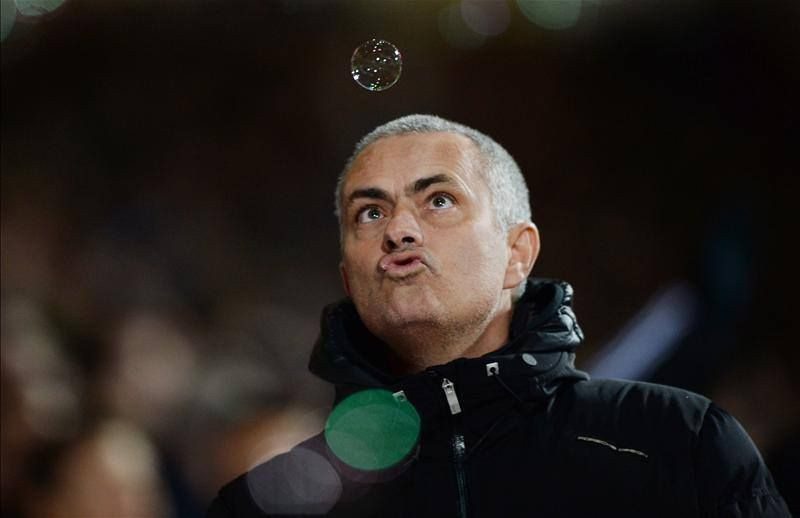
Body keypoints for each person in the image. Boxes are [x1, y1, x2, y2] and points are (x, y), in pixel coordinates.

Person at [208, 114, 790, 517]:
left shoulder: (679, 444)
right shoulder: (269, 505)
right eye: (369, 213)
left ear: (518, 254)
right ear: (348, 278)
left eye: (439, 200)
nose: (399, 229)